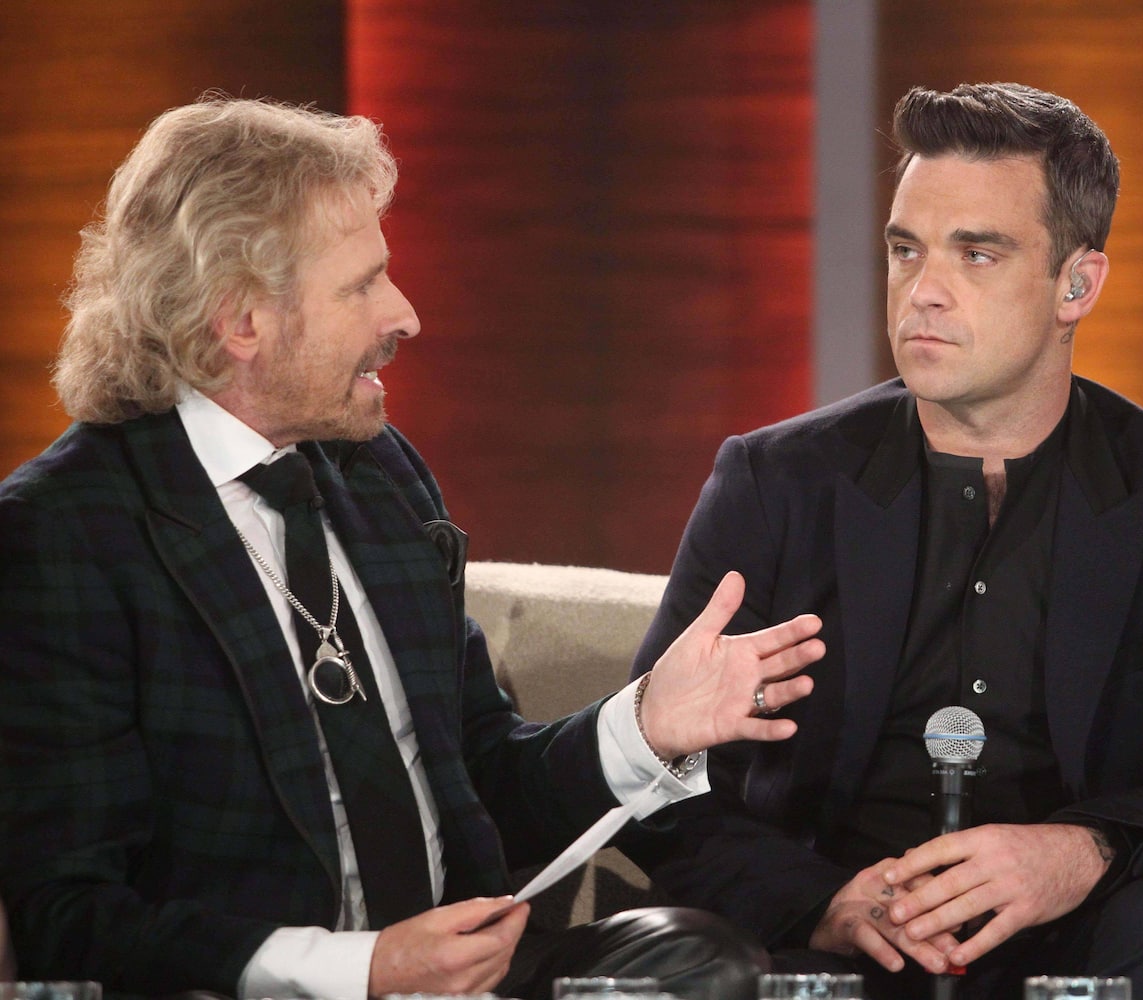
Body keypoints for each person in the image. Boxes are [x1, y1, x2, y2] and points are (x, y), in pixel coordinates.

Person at [0, 96, 827, 1000]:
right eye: (362, 285)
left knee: (704, 964)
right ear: (241, 322)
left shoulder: (378, 474)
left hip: (464, 983)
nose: (405, 314)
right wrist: (366, 970)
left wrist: (645, 725)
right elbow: (68, 915)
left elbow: (483, 781)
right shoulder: (66, 534)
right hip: (255, 988)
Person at [626, 82, 1143, 1000]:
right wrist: (822, 902)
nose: (923, 292)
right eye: (905, 250)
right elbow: (656, 772)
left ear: (1077, 284)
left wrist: (1079, 852)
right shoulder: (777, 483)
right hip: (837, 943)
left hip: (1082, 936)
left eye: (977, 254)